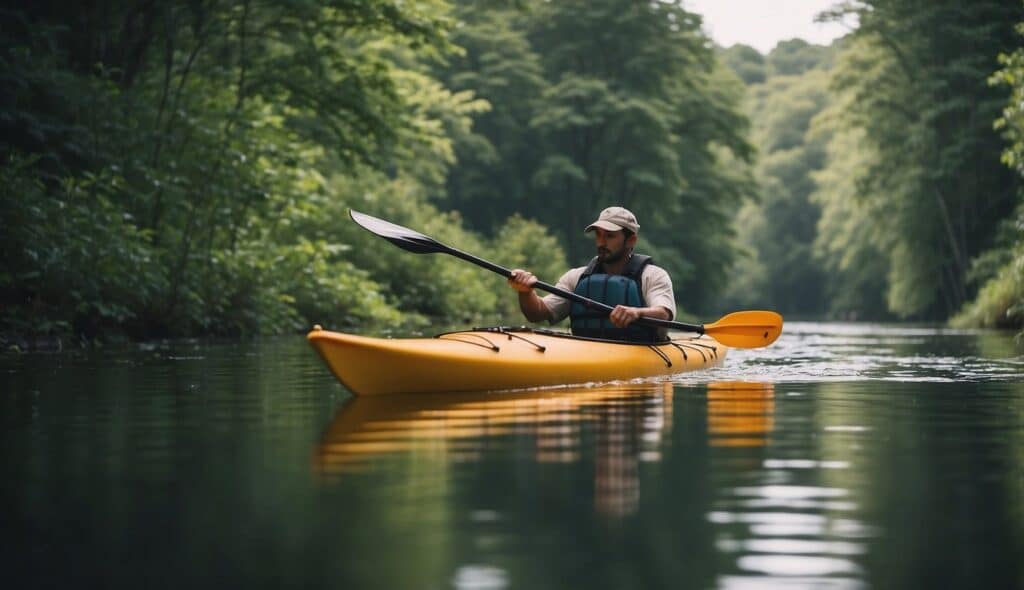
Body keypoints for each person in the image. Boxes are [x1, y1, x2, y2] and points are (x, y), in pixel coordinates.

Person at [507, 206, 676, 342]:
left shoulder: (653, 276)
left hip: (643, 350)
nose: (601, 242)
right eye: (598, 235)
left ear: (631, 240)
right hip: (588, 352)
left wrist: (637, 312)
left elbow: (664, 313)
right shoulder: (576, 277)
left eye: (610, 236)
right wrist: (526, 292)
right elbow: (537, 313)